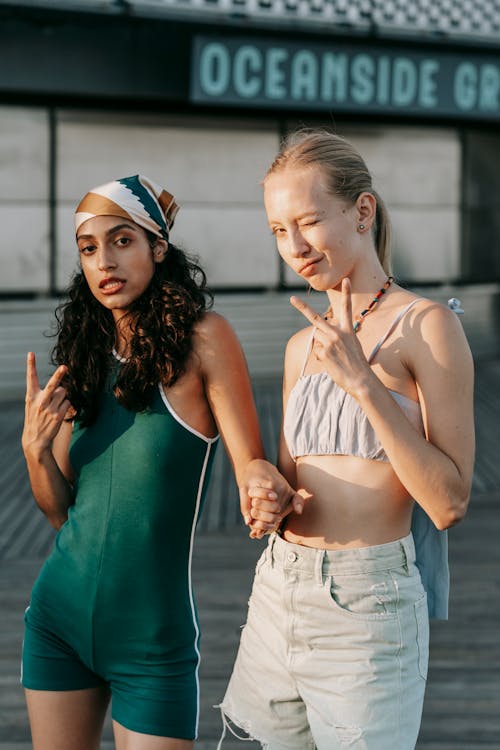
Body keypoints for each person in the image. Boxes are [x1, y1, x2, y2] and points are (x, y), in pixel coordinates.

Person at [20, 174, 298, 750]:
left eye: (122, 241)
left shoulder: (206, 340)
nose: (104, 261)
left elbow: (250, 460)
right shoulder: (88, 353)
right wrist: (34, 451)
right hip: (56, 623)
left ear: (158, 248)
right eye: (90, 248)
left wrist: (263, 484)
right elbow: (60, 513)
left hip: (152, 640)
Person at [218, 130, 475, 749]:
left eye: (307, 222)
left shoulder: (428, 326)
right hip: (279, 589)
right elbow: (288, 480)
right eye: (279, 231)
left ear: (362, 211)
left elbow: (448, 502)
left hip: (369, 608)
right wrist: (265, 491)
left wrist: (365, 385)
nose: (295, 247)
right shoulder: (300, 345)